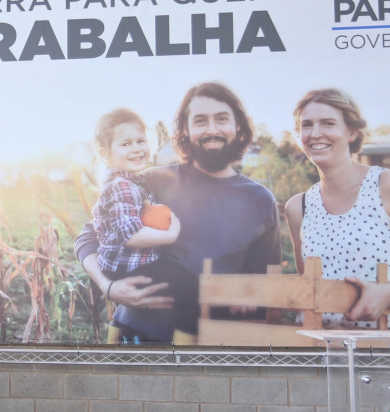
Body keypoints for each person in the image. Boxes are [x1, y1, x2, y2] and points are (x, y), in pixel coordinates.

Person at [75, 82, 281, 344]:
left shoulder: (260, 201)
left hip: (212, 346)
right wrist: (109, 287)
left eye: (221, 119)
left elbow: (266, 281)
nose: (212, 130)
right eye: (200, 121)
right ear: (185, 129)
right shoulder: (152, 181)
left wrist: (252, 296)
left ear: (238, 125)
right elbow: (90, 237)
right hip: (137, 336)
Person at [283, 89, 390, 341]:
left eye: (328, 123)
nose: (315, 133)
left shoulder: (389, 186)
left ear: (351, 132)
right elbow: (312, 293)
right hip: (323, 358)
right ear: (299, 136)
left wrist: (388, 295)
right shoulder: (299, 207)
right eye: (306, 125)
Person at [89, 108, 197, 338]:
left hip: (124, 262)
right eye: (126, 144)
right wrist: (171, 234)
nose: (137, 149)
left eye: (140, 141)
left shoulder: (130, 182)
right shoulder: (121, 185)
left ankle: (119, 327)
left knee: (172, 281)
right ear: (104, 152)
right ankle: (186, 345)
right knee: (187, 284)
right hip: (124, 264)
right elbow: (130, 235)